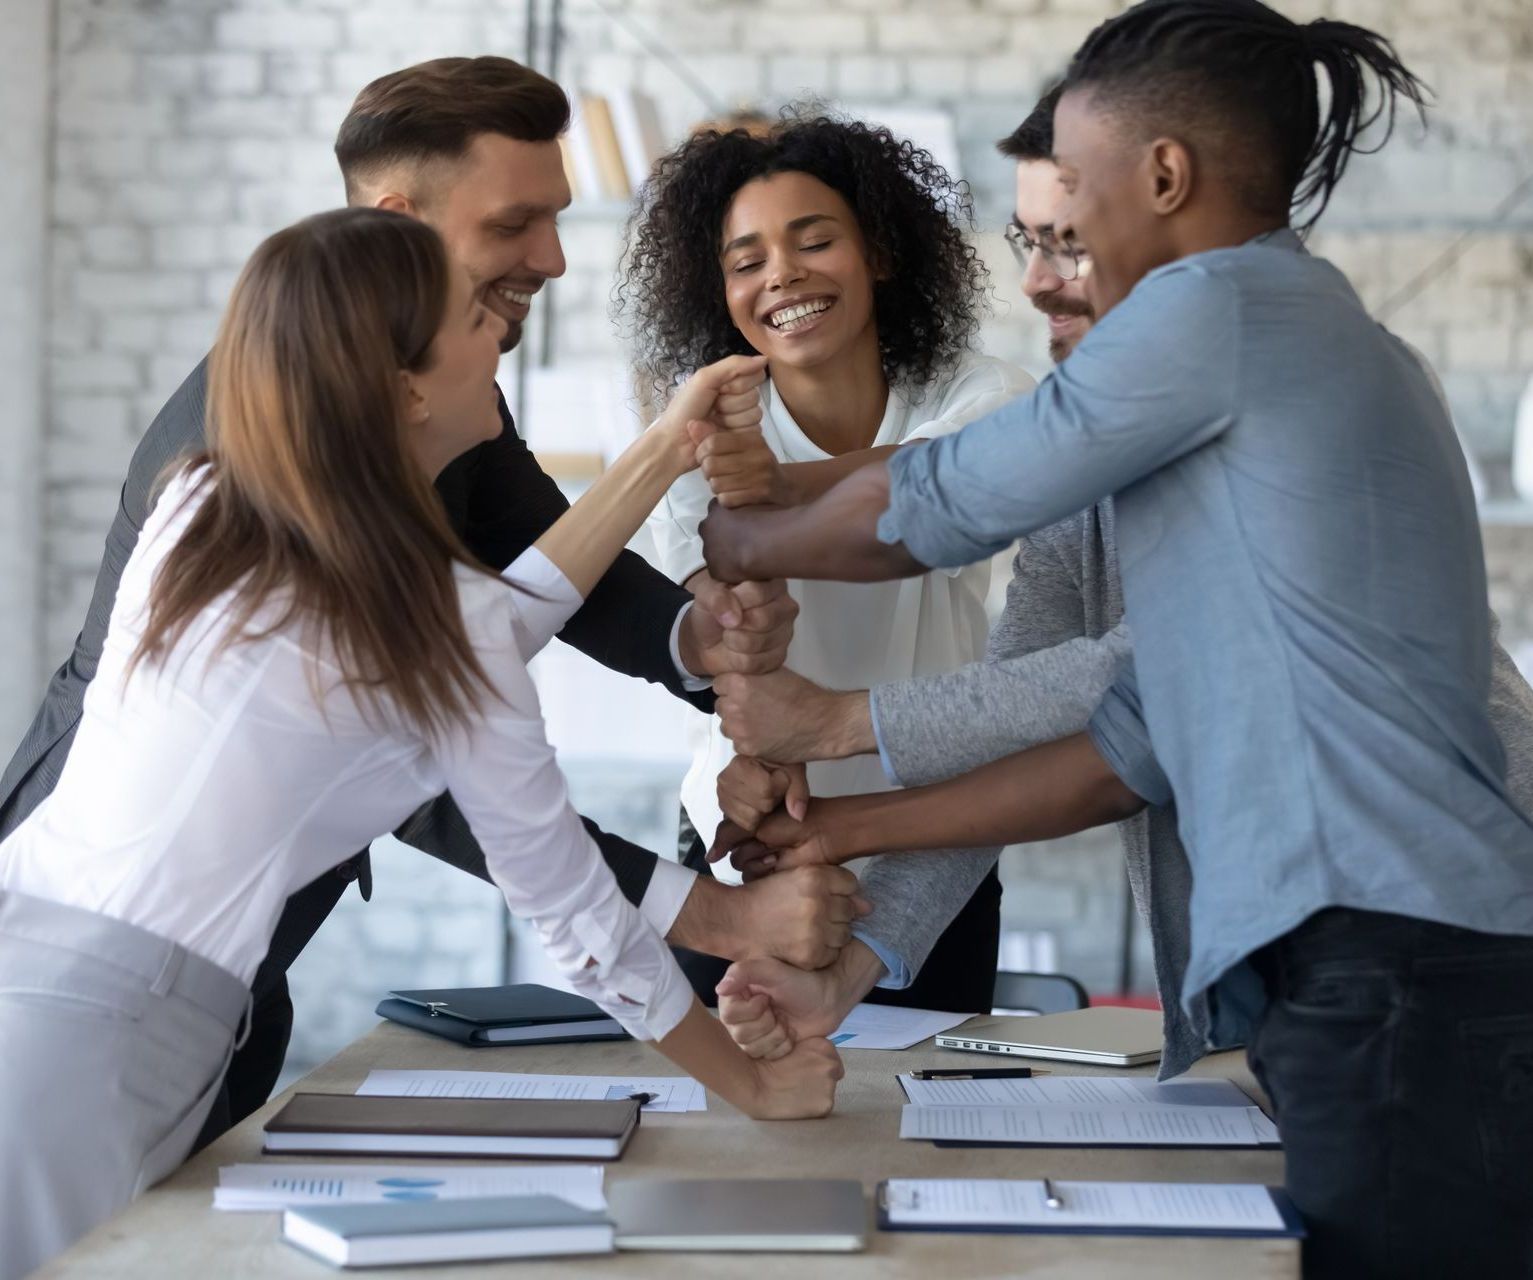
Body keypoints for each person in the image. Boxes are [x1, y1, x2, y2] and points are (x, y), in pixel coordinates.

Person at [697, 2, 1533, 1273]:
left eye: (1067, 208)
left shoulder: (1222, 312)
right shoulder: (1230, 384)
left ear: (1163, 176)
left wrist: (744, 542)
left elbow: (944, 500)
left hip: (1407, 951)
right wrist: (844, 889)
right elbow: (1121, 745)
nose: (1047, 257)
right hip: (1370, 963)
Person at [0, 56, 862, 1150]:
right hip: (115, 1011)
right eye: (518, 225)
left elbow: (496, 603)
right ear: (402, 227)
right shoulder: (246, 471)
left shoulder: (225, 491)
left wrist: (673, 505)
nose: (543, 271)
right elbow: (534, 845)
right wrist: (748, 1069)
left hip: (85, 950)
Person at [616, 113, 1036, 1014]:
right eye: (745, 261)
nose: (782, 276)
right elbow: (723, 627)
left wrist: (781, 483)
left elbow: (941, 488)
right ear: (717, 290)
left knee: (927, 1134)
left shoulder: (980, 391)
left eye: (814, 241)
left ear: (879, 252)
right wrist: (758, 751)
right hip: (747, 831)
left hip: (934, 844)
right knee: (731, 1124)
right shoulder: (705, 430)